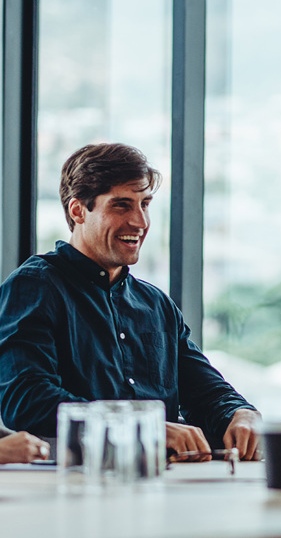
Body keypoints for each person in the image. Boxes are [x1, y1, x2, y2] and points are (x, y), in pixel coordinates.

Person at [0, 143, 261, 460]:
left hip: (166, 485)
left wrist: (241, 413)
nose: (140, 222)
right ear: (78, 210)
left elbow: (206, 391)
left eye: (145, 204)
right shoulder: (34, 287)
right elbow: (25, 400)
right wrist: (142, 426)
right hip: (75, 487)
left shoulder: (156, 304)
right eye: (121, 206)